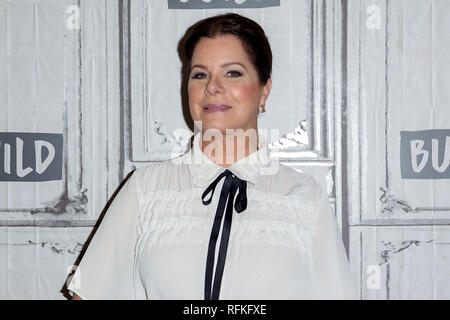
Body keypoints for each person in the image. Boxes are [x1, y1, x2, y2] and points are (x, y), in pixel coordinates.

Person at [67, 13, 358, 300]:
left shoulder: (305, 198)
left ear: (264, 91)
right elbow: (90, 293)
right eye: (200, 74)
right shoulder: (144, 190)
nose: (212, 87)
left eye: (232, 73)